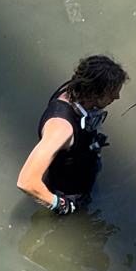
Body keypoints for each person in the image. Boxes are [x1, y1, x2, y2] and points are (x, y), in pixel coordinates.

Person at [17, 55, 127, 214]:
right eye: (112, 93)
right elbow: (26, 181)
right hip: (70, 193)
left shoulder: (73, 89)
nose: (117, 97)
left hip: (83, 169)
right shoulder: (61, 128)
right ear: (95, 92)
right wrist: (61, 205)